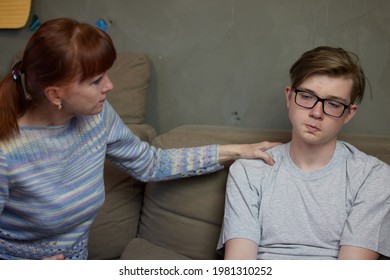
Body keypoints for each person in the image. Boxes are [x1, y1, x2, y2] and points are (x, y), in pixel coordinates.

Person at [0, 18, 280, 260]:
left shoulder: (97, 118)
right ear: (55, 94)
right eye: (96, 81)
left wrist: (239, 150)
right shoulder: (6, 152)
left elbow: (151, 164)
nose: (109, 86)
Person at [217, 46, 390, 260]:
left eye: (334, 104)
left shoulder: (373, 176)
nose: (317, 113)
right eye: (307, 97)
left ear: (348, 114)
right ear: (289, 97)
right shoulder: (248, 171)